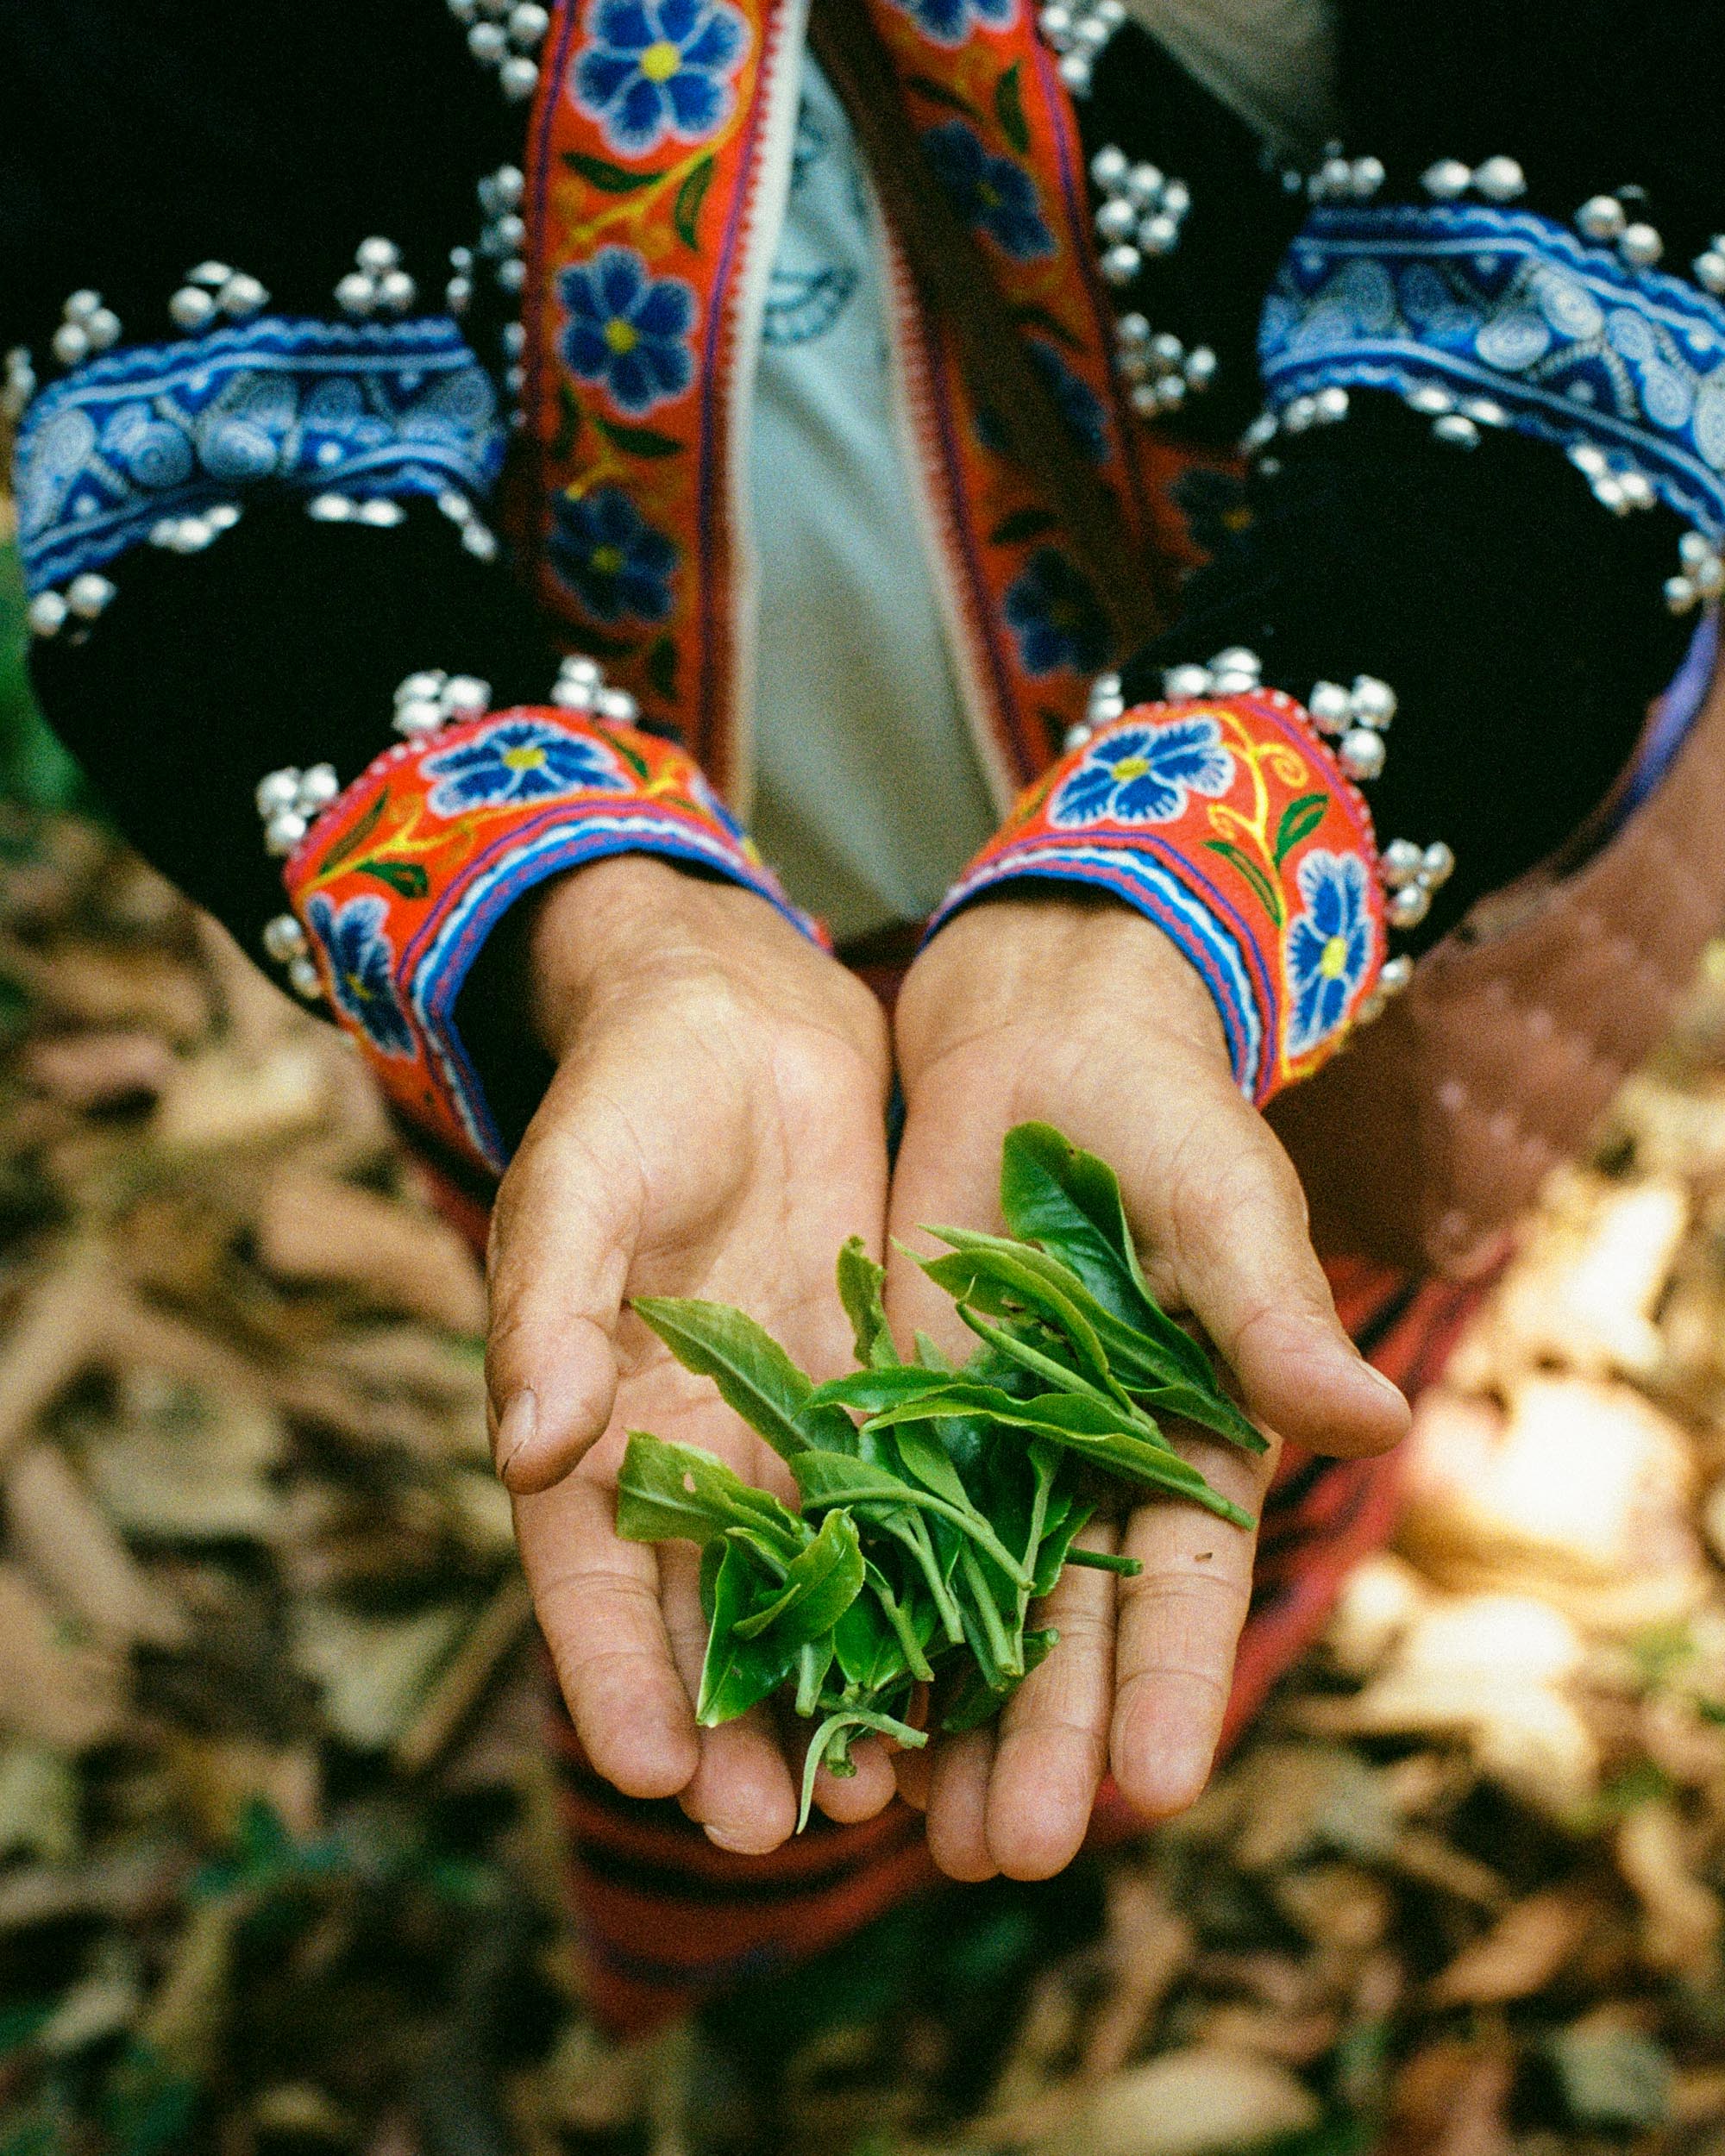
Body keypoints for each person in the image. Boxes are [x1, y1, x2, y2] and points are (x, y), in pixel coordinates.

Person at [5, 0, 1722, 2031]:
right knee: (682, 1436)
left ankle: (1118, 1777)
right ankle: (769, 1943)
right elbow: (191, 422)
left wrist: (1166, 914)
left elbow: (1580, 295)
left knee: (1239, 1342)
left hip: (1260, 897)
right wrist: (598, 930)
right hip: (606, 944)